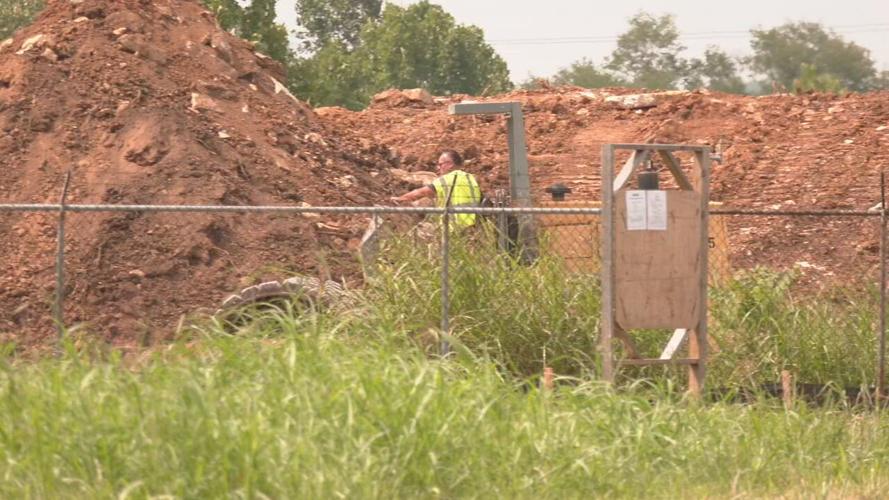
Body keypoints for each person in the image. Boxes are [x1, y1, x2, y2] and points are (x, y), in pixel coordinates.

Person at [390, 149, 481, 228]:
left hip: (453, 227)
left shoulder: (449, 178)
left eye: (440, 164)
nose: (438, 168)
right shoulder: (471, 178)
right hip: (472, 226)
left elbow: (421, 193)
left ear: (449, 164)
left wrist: (400, 199)